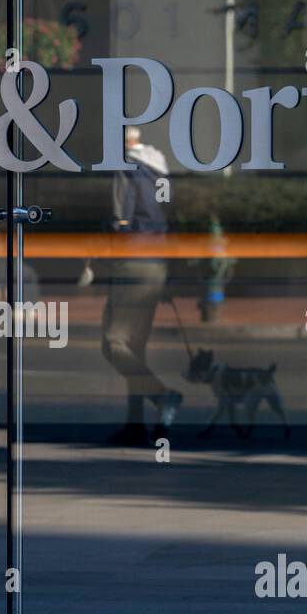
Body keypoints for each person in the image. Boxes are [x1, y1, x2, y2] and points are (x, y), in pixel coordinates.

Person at [100, 126, 183, 446]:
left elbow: (121, 221)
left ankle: (162, 396)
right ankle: (135, 424)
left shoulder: (125, 168)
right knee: (135, 346)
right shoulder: (160, 170)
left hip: (132, 262)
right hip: (156, 264)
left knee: (113, 343)